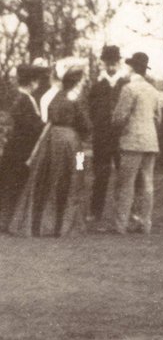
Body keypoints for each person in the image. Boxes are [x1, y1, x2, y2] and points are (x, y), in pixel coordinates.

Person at [9, 67, 91, 237]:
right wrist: (85, 134)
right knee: (77, 174)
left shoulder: (56, 96)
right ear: (77, 82)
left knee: (50, 178)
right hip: (73, 142)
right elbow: (85, 125)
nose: (84, 83)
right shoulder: (76, 98)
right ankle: (66, 223)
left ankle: (43, 223)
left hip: (51, 140)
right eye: (82, 80)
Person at [104, 51, 162, 234]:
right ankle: (145, 223)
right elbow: (158, 118)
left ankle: (120, 225)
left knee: (126, 184)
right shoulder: (153, 91)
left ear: (132, 68)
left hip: (132, 141)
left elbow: (119, 117)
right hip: (150, 141)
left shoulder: (129, 89)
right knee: (147, 183)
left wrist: (116, 129)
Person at [0, 64, 44, 225]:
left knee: (8, 181)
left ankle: (6, 218)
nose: (38, 84)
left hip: (13, 146)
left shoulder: (16, 96)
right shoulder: (26, 100)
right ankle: (8, 220)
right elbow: (31, 126)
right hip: (21, 148)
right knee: (15, 182)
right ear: (32, 82)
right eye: (36, 81)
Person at [87, 44, 127, 219]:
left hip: (121, 137)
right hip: (101, 137)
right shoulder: (97, 85)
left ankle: (124, 213)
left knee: (124, 175)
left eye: (114, 63)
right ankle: (96, 212)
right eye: (108, 63)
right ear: (104, 63)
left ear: (119, 63)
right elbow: (90, 109)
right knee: (100, 175)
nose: (111, 67)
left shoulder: (125, 84)